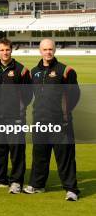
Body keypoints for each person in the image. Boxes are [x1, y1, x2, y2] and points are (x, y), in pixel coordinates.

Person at [24, 38, 81, 201]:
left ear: (54, 50)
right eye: (45, 49)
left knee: (65, 156)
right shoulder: (34, 72)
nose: (48, 52)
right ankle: (37, 185)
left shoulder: (65, 70)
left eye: (50, 49)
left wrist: (64, 112)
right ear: (40, 51)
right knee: (40, 154)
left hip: (60, 122)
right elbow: (29, 94)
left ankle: (71, 189)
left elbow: (75, 95)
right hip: (40, 121)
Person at [0, 38, 32, 194]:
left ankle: (16, 181)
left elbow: (28, 94)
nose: (5, 53)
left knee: (17, 149)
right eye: (2, 50)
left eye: (7, 49)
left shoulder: (21, 70)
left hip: (15, 117)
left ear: (11, 50)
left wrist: (18, 109)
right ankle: (0, 178)